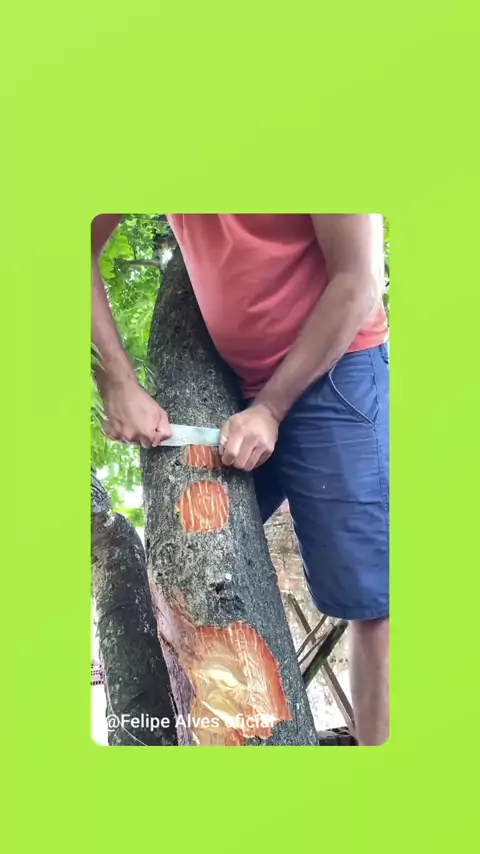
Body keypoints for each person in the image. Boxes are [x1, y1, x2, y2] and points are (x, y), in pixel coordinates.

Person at [92, 213, 389, 746]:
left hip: (339, 368)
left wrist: (272, 407)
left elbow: (359, 279)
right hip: (238, 385)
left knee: (373, 601)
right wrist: (115, 379)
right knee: (193, 568)